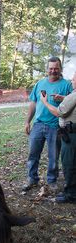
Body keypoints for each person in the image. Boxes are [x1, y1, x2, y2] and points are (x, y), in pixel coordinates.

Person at [23, 56, 73, 192]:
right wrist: (27, 121)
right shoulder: (40, 84)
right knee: (33, 154)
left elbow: (72, 102)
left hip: (55, 126)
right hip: (38, 124)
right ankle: (32, 179)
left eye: (56, 68)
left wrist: (62, 98)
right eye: (51, 68)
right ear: (47, 69)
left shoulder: (67, 84)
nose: (53, 71)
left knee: (53, 156)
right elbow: (33, 103)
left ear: (60, 68)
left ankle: (52, 180)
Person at [40, 71, 76, 204]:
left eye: (73, 79)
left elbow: (58, 112)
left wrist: (45, 102)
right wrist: (63, 98)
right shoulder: (72, 95)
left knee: (69, 164)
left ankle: (71, 194)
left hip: (71, 135)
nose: (71, 81)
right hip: (72, 134)